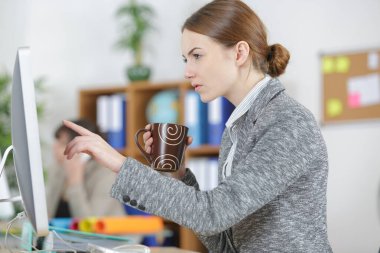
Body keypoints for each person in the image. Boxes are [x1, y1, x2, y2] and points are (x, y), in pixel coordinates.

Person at [63, 0, 332, 252]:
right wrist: (179, 175)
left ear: (239, 52)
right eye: (185, 59)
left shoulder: (288, 123)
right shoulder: (236, 130)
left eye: (197, 55)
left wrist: (118, 164)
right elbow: (223, 243)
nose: (187, 70)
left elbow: (211, 214)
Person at [46, 119, 125, 218]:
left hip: (105, 233)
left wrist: (75, 182)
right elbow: (48, 216)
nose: (54, 147)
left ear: (82, 150)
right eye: (56, 142)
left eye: (62, 144)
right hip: (64, 233)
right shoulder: (58, 169)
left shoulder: (106, 176)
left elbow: (89, 226)